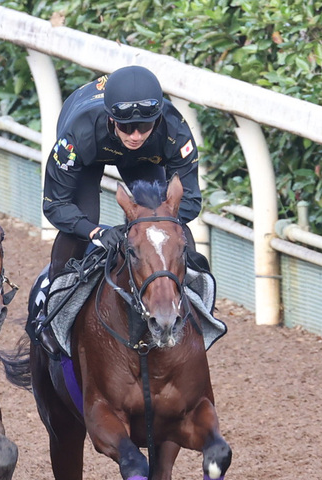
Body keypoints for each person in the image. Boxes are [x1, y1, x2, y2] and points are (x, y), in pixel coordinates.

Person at [38, 65, 202, 354]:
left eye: (144, 127)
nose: (135, 136)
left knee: (174, 233)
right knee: (82, 224)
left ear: (159, 118)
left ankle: (199, 311)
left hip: (145, 162)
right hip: (88, 152)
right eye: (126, 127)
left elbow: (190, 201)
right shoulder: (78, 134)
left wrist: (149, 227)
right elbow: (55, 205)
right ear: (112, 118)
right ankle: (50, 308)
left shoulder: (175, 130)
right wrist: (96, 231)